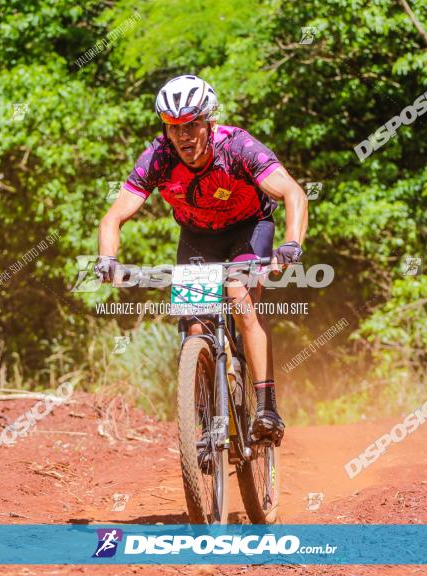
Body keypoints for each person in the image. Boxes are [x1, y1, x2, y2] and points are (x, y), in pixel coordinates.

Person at [95, 74, 308, 445]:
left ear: (209, 121)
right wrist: (107, 260)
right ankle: (207, 422)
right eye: (174, 127)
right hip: (198, 238)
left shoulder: (237, 146)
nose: (184, 136)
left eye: (192, 124)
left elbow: (292, 191)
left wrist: (291, 244)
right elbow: (113, 217)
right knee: (195, 327)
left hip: (249, 228)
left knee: (241, 299)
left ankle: (265, 405)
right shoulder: (158, 157)